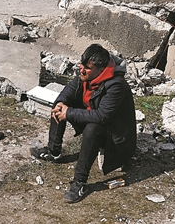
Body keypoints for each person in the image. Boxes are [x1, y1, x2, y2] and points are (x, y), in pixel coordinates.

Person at [30, 44, 137, 203]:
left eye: (87, 68)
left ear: (100, 70)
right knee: (60, 105)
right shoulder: (86, 74)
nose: (81, 69)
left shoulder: (116, 85)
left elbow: (102, 116)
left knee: (92, 129)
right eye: (82, 64)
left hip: (117, 138)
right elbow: (69, 90)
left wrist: (69, 113)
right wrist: (61, 104)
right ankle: (54, 151)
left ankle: (79, 183)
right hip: (99, 121)